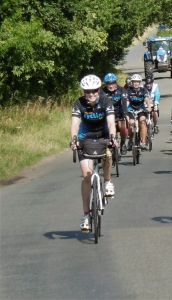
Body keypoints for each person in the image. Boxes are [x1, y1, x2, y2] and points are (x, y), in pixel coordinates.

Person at [70, 74, 117, 232]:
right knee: (86, 176)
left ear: (99, 90)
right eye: (87, 91)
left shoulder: (106, 100)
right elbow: (75, 124)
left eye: (94, 91)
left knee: (108, 153)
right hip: (85, 137)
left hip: (103, 135)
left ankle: (108, 181)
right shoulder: (79, 103)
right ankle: (85, 215)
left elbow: (111, 121)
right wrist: (74, 139)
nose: (90, 94)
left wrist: (113, 136)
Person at [101, 73, 129, 154]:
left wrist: (125, 114)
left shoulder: (122, 90)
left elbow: (124, 103)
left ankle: (123, 143)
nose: (110, 86)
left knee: (122, 127)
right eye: (108, 84)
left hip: (119, 112)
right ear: (105, 84)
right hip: (107, 114)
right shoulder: (102, 92)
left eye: (112, 83)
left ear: (116, 83)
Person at [126, 74, 152, 150]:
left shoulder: (143, 90)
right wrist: (126, 109)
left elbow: (147, 99)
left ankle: (143, 142)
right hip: (131, 109)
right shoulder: (128, 90)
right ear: (132, 82)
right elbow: (127, 101)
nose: (136, 83)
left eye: (137, 82)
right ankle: (131, 140)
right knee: (131, 123)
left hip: (141, 109)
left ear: (140, 83)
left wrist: (149, 107)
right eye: (134, 82)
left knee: (142, 121)